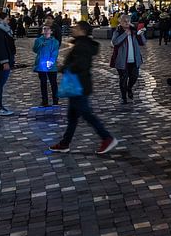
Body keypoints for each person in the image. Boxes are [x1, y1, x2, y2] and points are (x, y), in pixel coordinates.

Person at [48, 22, 118, 155]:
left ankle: (107, 138)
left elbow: (81, 64)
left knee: (86, 114)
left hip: (78, 86)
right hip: (78, 85)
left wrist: (65, 67)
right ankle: (65, 143)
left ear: (82, 31)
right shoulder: (80, 43)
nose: (73, 28)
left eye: (76, 27)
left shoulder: (82, 45)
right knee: (72, 116)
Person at [110, 14, 147, 104]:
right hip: (122, 60)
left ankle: (129, 88)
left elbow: (143, 42)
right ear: (120, 22)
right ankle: (124, 97)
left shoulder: (134, 30)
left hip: (134, 60)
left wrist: (141, 34)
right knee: (123, 79)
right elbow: (115, 42)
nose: (127, 23)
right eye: (124, 21)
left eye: (128, 21)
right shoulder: (118, 31)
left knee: (134, 77)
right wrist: (125, 34)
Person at [33, 24, 60, 107]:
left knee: (53, 83)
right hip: (41, 65)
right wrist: (40, 45)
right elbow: (35, 50)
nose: (46, 30)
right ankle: (45, 101)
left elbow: (55, 53)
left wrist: (51, 61)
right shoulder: (38, 40)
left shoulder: (55, 41)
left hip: (51, 65)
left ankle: (55, 100)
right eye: (44, 29)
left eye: (48, 29)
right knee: (43, 83)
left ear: (51, 31)